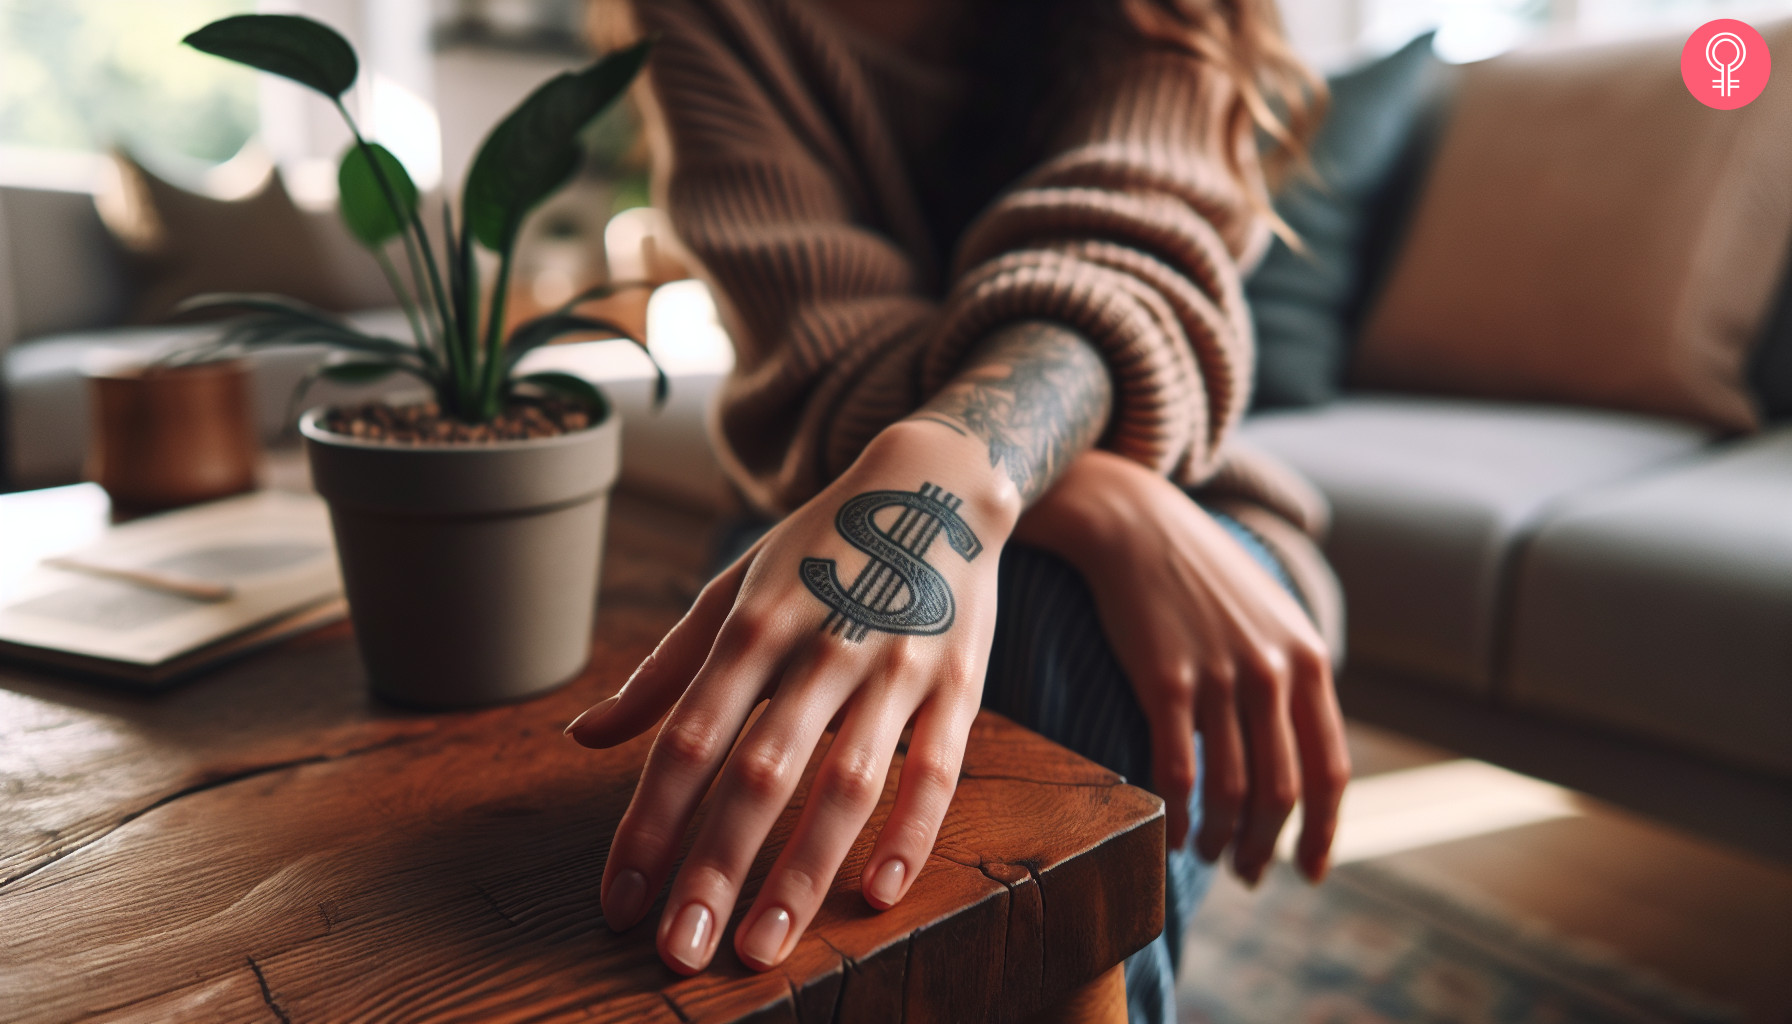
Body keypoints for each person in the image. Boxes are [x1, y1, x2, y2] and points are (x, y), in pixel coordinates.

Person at [567, 1, 1350, 1019]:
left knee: (1049, 621)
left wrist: (979, 478)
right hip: (834, 503)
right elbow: (825, 359)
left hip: (1186, 517)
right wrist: (1084, 496)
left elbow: (1119, 258)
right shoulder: (712, 16)